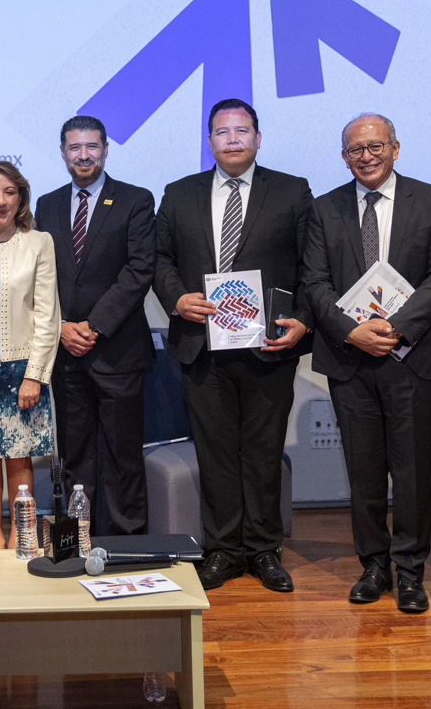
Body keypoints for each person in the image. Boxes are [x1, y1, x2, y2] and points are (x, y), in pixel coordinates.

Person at [154, 99, 314, 592]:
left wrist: (304, 320)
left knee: (263, 453)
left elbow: (313, 266)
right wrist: (176, 298)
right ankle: (222, 550)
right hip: (201, 347)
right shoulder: (179, 193)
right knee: (215, 453)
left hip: (268, 346)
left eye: (242, 130)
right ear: (210, 142)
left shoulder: (291, 190)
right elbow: (160, 259)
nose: (233, 139)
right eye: (222, 132)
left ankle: (264, 550)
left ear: (258, 138)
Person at [303, 113, 431, 613]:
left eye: (375, 146)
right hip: (350, 359)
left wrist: (396, 328)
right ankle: (373, 566)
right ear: (343, 157)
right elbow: (314, 282)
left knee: (411, 474)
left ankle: (410, 571)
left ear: (395, 147)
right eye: (355, 150)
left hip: (411, 356)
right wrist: (352, 331)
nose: (366, 156)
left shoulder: (430, 200)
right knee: (364, 472)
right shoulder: (324, 208)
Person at [36, 115, 156, 536]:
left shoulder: (136, 199)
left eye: (91, 146)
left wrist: (94, 325)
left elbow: (140, 270)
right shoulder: (47, 205)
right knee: (75, 456)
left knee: (124, 458)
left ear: (105, 149)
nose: (83, 155)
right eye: (75, 147)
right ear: (63, 152)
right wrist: (61, 326)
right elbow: (41, 276)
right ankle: (79, 539)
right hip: (66, 354)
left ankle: (128, 543)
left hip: (118, 352)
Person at [0, 160, 61, 550]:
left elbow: (48, 316)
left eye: (9, 192)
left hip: (20, 368)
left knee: (19, 457)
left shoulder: (38, 242)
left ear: (20, 198)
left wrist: (35, 375)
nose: (0, 201)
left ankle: (23, 536)